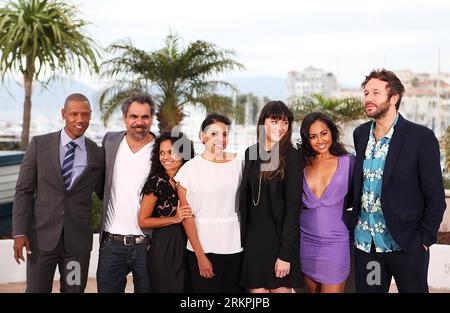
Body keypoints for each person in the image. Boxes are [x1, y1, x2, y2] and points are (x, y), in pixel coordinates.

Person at [350, 69, 447, 293]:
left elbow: (434, 196)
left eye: (375, 92)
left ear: (394, 98)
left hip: (406, 247)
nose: (368, 98)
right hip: (368, 247)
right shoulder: (361, 134)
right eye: (366, 93)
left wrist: (424, 239)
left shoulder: (420, 138)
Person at [12, 93, 104, 293]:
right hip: (42, 241)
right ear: (63, 114)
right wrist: (19, 232)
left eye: (85, 114)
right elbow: (24, 191)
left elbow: (106, 192)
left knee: (73, 290)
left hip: (77, 245)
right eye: (74, 114)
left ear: (90, 116)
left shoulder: (97, 153)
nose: (79, 120)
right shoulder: (39, 145)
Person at [174, 113, 243, 293]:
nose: (220, 139)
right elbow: (187, 217)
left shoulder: (240, 164)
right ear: (202, 136)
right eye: (214, 134)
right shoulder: (189, 170)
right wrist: (200, 256)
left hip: (236, 247)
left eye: (225, 134)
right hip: (204, 249)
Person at [239, 100, 303, 293]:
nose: (281, 127)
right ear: (263, 123)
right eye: (275, 121)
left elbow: (293, 210)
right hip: (254, 242)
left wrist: (285, 255)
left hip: (280, 243)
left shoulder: (292, 156)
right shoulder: (251, 152)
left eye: (285, 122)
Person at [97, 93, 156, 293]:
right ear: (124, 117)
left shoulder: (162, 149)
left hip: (148, 245)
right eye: (134, 116)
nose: (139, 122)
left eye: (145, 117)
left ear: (152, 118)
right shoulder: (110, 141)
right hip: (111, 244)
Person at [298, 112, 355, 293]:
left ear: (332, 132)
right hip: (305, 242)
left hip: (336, 244)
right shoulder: (300, 163)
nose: (320, 140)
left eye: (324, 133)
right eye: (313, 136)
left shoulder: (348, 162)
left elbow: (359, 196)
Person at [138, 131, 195, 292]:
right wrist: (174, 219)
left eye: (171, 152)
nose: (165, 157)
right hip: (165, 246)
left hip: (191, 243)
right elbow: (143, 220)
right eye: (162, 153)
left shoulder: (193, 178)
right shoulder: (156, 182)